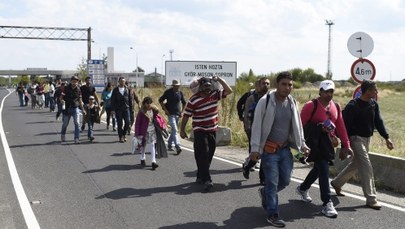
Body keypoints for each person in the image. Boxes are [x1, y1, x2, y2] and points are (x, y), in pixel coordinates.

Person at [249, 71, 310, 227]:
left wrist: (302, 145)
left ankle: (265, 193)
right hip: (269, 150)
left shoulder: (292, 102)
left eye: (290, 85)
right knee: (272, 182)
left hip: (285, 149)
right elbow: (256, 125)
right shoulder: (266, 100)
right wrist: (255, 149)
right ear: (277, 85)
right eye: (284, 84)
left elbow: (298, 126)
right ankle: (273, 214)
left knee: (285, 180)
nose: (287, 87)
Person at [331, 80, 394, 210]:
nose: (376, 92)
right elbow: (344, 127)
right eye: (374, 90)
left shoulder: (373, 104)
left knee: (356, 164)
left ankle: (337, 183)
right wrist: (344, 146)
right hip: (355, 139)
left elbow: (379, 121)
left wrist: (387, 138)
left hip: (367, 139)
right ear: (367, 91)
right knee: (366, 165)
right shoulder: (353, 105)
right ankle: (371, 199)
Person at [296, 80, 353, 218]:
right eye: (325, 91)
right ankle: (327, 203)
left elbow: (341, 126)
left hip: (327, 144)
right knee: (323, 168)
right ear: (320, 91)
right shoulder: (311, 105)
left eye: (331, 91)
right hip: (313, 143)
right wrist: (317, 128)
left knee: (319, 168)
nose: (328, 94)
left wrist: (346, 145)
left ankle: (302, 188)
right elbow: (299, 126)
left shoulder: (336, 107)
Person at [180, 76, 233, 191]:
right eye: (205, 86)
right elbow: (186, 115)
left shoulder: (215, 95)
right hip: (199, 130)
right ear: (200, 87)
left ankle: (200, 175)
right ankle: (207, 179)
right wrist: (182, 130)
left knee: (210, 153)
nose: (207, 88)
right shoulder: (193, 100)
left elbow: (229, 90)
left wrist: (219, 79)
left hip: (212, 130)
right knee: (203, 153)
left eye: (209, 86)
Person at [242, 77, 270, 184]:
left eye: (268, 83)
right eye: (264, 83)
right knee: (257, 154)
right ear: (259, 85)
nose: (266, 85)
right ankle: (247, 166)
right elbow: (247, 116)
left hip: (267, 130)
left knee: (266, 154)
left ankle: (263, 179)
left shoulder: (271, 98)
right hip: (254, 129)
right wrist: (249, 129)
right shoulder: (252, 98)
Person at [135, 96, 168, 170]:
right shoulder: (141, 112)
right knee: (143, 145)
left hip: (152, 130)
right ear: (144, 104)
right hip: (144, 131)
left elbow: (157, 117)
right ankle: (142, 157)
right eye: (147, 104)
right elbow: (137, 123)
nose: (148, 105)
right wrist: (137, 133)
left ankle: (153, 161)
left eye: (150, 104)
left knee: (152, 145)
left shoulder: (153, 110)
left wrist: (162, 126)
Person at [159, 79, 187, 154]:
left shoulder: (180, 93)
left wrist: (182, 112)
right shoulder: (168, 92)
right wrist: (165, 110)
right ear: (173, 86)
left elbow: (184, 103)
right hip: (170, 114)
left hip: (177, 114)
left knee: (174, 130)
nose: (177, 87)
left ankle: (169, 143)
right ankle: (177, 146)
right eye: (175, 86)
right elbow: (160, 100)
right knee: (175, 129)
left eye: (178, 86)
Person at [60, 75, 86, 144]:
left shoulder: (78, 89)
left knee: (77, 123)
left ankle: (76, 138)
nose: (74, 83)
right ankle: (63, 134)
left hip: (75, 108)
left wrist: (83, 109)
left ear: (77, 82)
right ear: (71, 81)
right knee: (65, 124)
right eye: (73, 81)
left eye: (76, 81)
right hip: (67, 108)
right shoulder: (65, 88)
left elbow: (80, 100)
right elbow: (61, 97)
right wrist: (62, 100)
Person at [111, 77, 133, 143]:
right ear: (119, 82)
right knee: (120, 124)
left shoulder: (128, 89)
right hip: (118, 109)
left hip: (126, 109)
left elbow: (130, 100)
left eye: (123, 81)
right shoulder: (115, 90)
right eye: (121, 81)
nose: (122, 82)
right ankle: (121, 137)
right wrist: (113, 109)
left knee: (128, 122)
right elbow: (112, 100)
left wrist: (131, 109)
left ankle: (124, 134)